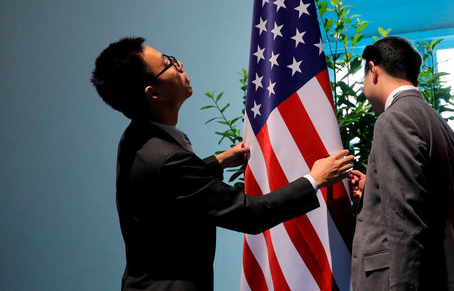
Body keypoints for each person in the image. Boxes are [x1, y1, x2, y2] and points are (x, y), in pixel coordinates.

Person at [91, 37, 353, 290]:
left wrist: (218, 162)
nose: (178, 64)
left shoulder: (137, 137)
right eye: (167, 63)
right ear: (154, 93)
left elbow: (165, 190)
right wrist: (315, 179)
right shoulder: (169, 160)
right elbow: (250, 214)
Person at [348, 36, 454, 290]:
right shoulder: (438, 123)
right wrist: (374, 188)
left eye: (363, 77)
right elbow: (424, 199)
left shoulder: (392, 120)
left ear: (373, 70)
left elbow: (405, 224)